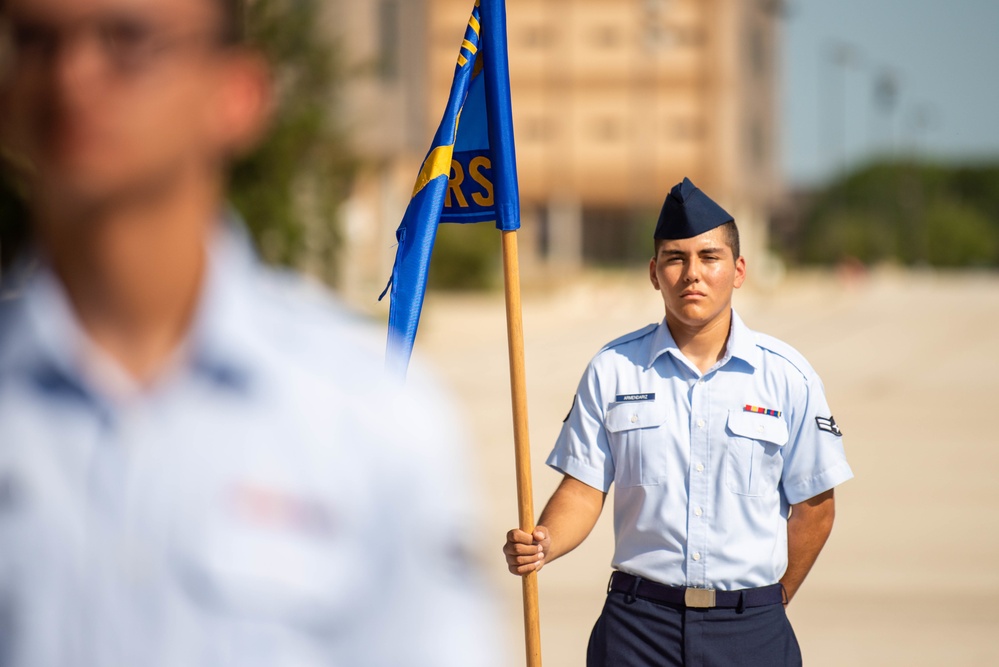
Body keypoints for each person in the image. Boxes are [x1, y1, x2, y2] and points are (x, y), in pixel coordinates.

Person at [0, 0, 499, 665]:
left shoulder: (365, 422)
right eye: (35, 41)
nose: (71, 74)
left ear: (236, 93)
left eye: (126, 39)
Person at [503, 178, 854, 666]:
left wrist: (767, 601)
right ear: (654, 272)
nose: (693, 273)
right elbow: (583, 490)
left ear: (738, 270)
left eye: (709, 257)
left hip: (751, 632)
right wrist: (543, 542)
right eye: (675, 258)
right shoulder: (614, 369)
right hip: (637, 630)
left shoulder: (787, 376)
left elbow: (815, 507)